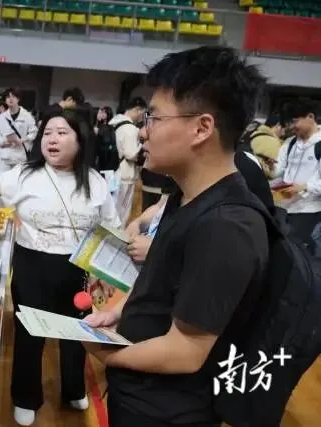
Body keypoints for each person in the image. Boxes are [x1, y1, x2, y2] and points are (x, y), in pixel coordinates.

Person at [84, 46, 269, 427]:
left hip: (167, 412)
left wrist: (108, 355)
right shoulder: (184, 197)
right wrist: (118, 312)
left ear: (202, 128)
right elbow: (161, 283)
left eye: (154, 117)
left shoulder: (227, 226)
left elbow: (186, 350)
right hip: (137, 394)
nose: (143, 130)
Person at [0, 110, 120, 426]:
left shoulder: (94, 181)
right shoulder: (25, 174)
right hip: (33, 265)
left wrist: (105, 271)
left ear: (80, 140)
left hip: (78, 268)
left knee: (77, 330)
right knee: (30, 333)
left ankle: (73, 388)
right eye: (48, 132)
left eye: (62, 132)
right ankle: (25, 397)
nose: (52, 139)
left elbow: (110, 226)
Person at [125, 127, 275, 263]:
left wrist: (158, 251)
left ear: (202, 129)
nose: (143, 132)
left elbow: (224, 254)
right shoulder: (186, 170)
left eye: (157, 119)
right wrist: (138, 223)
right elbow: (162, 205)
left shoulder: (240, 170)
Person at [273, 97, 321, 252]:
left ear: (310, 117)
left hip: (309, 211)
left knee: (298, 253)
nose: (292, 127)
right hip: (284, 207)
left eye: (295, 121)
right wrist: (270, 167)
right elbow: (279, 171)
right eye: (289, 123)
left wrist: (304, 187)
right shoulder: (290, 143)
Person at [110, 97, 147, 225]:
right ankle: (117, 236)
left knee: (112, 209)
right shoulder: (130, 129)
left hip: (113, 172)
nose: (142, 117)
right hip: (126, 175)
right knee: (122, 212)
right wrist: (142, 145)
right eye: (142, 113)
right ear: (137, 109)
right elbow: (131, 154)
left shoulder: (114, 123)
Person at [0, 88, 38, 173]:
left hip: (20, 157)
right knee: (3, 179)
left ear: (18, 99)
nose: (10, 99)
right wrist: (2, 142)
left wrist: (23, 139)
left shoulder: (27, 116)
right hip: (5, 156)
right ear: (5, 100)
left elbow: (34, 132)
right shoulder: (2, 117)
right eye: (8, 97)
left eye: (13, 96)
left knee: (18, 179)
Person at [94, 106, 119, 172]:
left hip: (107, 153)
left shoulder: (111, 126)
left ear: (108, 114)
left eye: (104, 112)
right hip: (100, 152)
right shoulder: (99, 124)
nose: (102, 114)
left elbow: (110, 141)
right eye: (101, 112)